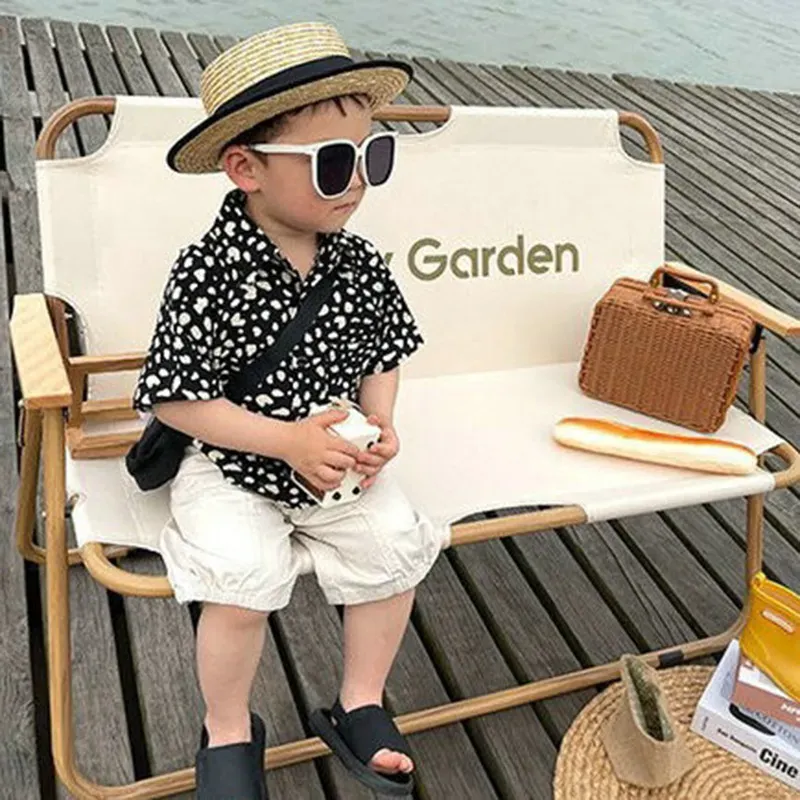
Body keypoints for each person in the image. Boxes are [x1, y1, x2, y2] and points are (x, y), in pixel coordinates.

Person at [132, 21, 441, 800]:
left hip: (335, 460)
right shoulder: (207, 269)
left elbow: (384, 350)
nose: (358, 183)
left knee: (394, 549)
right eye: (334, 163)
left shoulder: (359, 261)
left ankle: (359, 701)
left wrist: (382, 421)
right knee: (242, 578)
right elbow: (179, 399)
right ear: (246, 168)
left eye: (372, 157)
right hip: (230, 460)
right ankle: (227, 729)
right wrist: (283, 442)